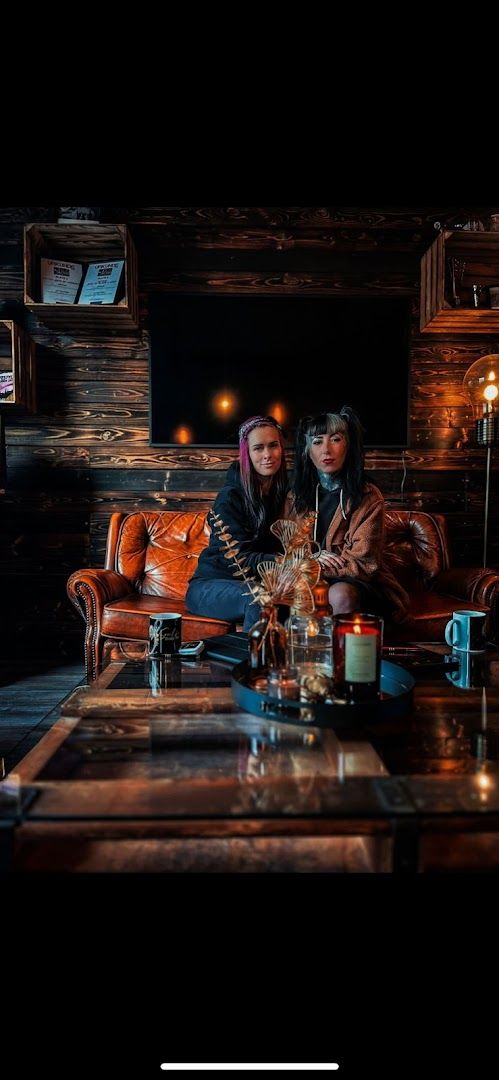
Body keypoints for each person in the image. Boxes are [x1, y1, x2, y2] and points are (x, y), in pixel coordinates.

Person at [288, 407, 408, 621]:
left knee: (340, 594)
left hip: (359, 584)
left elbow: (363, 564)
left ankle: (342, 654)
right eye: (317, 441)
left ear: (348, 445)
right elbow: (287, 551)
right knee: (288, 591)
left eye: (335, 439)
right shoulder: (295, 498)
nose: (326, 449)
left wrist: (312, 565)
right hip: (309, 578)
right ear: (307, 450)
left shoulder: (368, 496)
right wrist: (310, 560)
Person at [186, 415, 289, 631]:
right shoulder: (230, 497)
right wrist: (286, 562)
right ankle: (251, 664)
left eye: (273, 446)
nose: (267, 455)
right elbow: (238, 559)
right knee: (259, 598)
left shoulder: (285, 494)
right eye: (258, 448)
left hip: (257, 583)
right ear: (247, 454)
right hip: (209, 586)